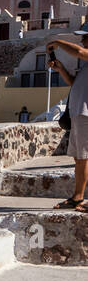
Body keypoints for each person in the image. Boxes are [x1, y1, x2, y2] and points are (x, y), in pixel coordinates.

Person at [47, 29, 88, 212]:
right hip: (79, 113)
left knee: (85, 157)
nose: (82, 40)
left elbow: (79, 52)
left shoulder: (84, 56)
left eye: (85, 37)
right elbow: (74, 82)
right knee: (80, 158)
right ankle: (77, 197)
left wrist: (58, 42)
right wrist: (61, 69)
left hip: (86, 114)